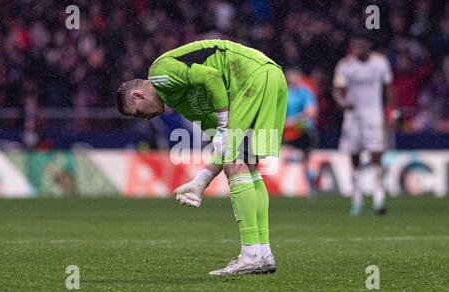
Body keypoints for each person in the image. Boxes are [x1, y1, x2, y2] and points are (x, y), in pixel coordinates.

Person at [116, 39, 287, 275]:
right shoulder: (180, 100)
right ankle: (264, 252)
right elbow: (223, 147)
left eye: (138, 114)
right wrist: (201, 181)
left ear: (138, 96)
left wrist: (225, 126)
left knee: (235, 165)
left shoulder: (159, 73)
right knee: (247, 165)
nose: (145, 119)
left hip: (250, 77)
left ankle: (250, 254)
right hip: (271, 75)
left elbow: (211, 77)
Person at [333, 32, 397, 216]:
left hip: (373, 116)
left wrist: (392, 113)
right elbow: (337, 90)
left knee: (377, 156)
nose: (359, 49)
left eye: (362, 45)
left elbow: (389, 88)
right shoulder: (345, 65)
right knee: (354, 158)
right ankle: (357, 200)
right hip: (353, 118)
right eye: (356, 46)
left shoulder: (380, 63)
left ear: (369, 46)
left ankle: (379, 201)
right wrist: (343, 103)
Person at [283, 68, 319, 196]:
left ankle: (311, 186)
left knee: (305, 159)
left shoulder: (305, 92)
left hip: (304, 130)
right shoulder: (285, 91)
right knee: (290, 157)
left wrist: (295, 121)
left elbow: (311, 112)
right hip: (288, 132)